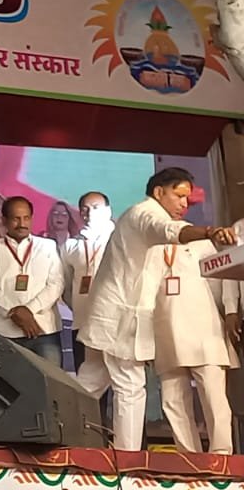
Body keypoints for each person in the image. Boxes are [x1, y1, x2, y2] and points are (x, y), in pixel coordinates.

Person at [77, 168, 237, 452]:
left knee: (85, 387)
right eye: (179, 196)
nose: (184, 204)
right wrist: (209, 231)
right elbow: (168, 230)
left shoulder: (145, 218)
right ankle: (126, 461)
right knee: (129, 387)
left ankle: (43, 439)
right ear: (159, 192)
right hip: (119, 320)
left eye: (187, 199)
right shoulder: (144, 214)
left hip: (116, 319)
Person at [151, 237, 235, 454]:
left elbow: (217, 288)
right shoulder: (150, 248)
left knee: (213, 396)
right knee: (173, 400)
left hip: (204, 329)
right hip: (165, 331)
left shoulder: (203, 245)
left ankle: (221, 454)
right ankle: (188, 456)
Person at [0, 197, 66, 366]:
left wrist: (28, 311)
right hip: (5, 331)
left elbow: (56, 284)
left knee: (50, 381)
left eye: (26, 218)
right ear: (4, 220)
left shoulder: (47, 246)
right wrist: (14, 312)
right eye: (16, 219)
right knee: (8, 381)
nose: (22, 224)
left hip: (44, 330)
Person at [60, 192, 114, 372]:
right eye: (85, 209)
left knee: (120, 380)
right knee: (85, 379)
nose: (90, 213)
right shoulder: (71, 245)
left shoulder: (118, 241)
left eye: (96, 208)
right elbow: (66, 286)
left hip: (114, 324)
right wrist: (78, 306)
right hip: (82, 323)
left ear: (107, 211)